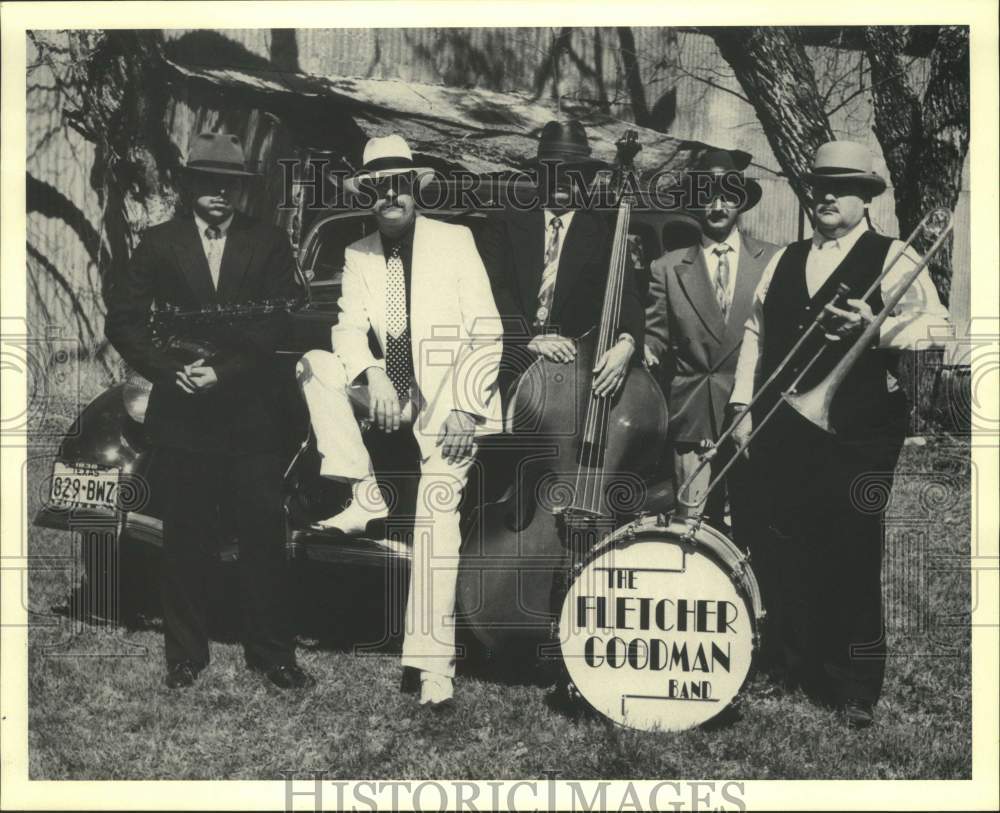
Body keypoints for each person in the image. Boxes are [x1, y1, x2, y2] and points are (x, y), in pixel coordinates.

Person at [728, 140, 950, 727]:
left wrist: (874, 329)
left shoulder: (893, 254)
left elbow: (937, 325)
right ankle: (790, 662)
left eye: (843, 187)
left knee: (851, 548)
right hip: (782, 421)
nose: (827, 196)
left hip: (858, 428)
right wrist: (742, 404)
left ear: (867, 198)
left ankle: (853, 686)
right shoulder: (784, 258)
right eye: (820, 187)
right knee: (784, 543)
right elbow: (754, 332)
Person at [297, 134, 503, 709]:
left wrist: (467, 406)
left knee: (437, 519)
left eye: (399, 185)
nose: (390, 196)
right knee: (313, 364)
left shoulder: (455, 241)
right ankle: (363, 492)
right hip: (390, 396)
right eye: (378, 187)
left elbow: (487, 331)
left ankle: (434, 668)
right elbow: (344, 329)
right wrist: (373, 373)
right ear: (368, 195)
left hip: (449, 406)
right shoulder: (358, 253)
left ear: (415, 189)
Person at [105, 132, 314, 690]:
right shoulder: (156, 243)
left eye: (232, 183)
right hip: (185, 412)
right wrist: (167, 369)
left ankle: (273, 655)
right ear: (191, 184)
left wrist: (224, 371)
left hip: (251, 413)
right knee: (186, 536)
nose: (221, 192)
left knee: (264, 538)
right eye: (210, 181)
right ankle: (185, 655)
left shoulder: (267, 241)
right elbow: (122, 319)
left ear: (241, 190)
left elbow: (276, 324)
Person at [644, 150, 779, 539]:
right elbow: (657, 333)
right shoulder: (667, 267)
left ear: (741, 202)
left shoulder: (774, 258)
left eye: (728, 195)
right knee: (692, 530)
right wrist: (646, 348)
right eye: (707, 194)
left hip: (751, 414)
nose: (718, 205)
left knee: (753, 526)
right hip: (692, 417)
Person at [477, 120, 644, 413]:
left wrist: (627, 343)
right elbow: (491, 289)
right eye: (554, 171)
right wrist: (530, 337)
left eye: (574, 173)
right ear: (540, 175)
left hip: (572, 375)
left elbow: (625, 293)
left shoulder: (602, 229)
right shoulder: (504, 219)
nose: (564, 180)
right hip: (510, 362)